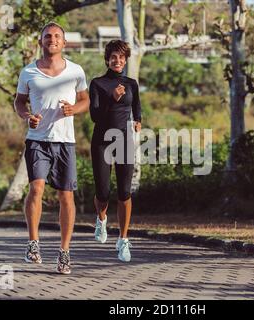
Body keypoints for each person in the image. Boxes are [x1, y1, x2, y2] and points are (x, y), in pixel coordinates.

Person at [14, 22, 89, 274]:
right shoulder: (28, 72)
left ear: (64, 43)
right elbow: (19, 102)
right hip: (37, 139)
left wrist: (73, 109)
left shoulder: (76, 71)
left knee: (65, 196)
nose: (52, 39)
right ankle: (33, 244)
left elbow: (85, 100)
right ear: (40, 41)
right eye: (48, 36)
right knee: (36, 188)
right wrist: (27, 116)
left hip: (65, 141)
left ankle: (64, 252)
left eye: (57, 36)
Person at [89, 40, 141, 262]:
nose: (117, 60)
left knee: (125, 191)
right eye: (113, 57)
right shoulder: (98, 84)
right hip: (102, 140)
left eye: (121, 57)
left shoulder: (132, 83)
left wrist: (138, 120)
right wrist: (113, 98)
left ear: (126, 59)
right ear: (107, 59)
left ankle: (123, 240)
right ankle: (101, 219)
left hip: (124, 140)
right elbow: (95, 116)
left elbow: (136, 105)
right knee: (103, 192)